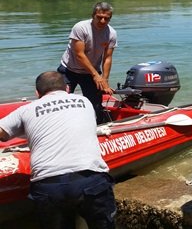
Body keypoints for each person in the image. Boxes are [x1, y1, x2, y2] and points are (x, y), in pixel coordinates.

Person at [0, 71, 116, 229]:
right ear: (67, 89)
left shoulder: (26, 110)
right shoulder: (84, 101)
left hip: (48, 185)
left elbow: (2, 133)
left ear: (37, 93)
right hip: (90, 179)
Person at [57, 2, 117, 124]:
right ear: (93, 15)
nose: (102, 21)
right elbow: (80, 55)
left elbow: (107, 58)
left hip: (90, 73)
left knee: (96, 106)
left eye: (106, 18)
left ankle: (98, 127)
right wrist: (96, 75)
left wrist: (105, 80)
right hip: (69, 70)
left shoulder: (111, 33)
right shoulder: (81, 28)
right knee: (60, 102)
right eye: (99, 17)